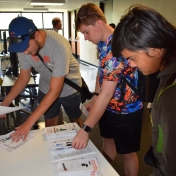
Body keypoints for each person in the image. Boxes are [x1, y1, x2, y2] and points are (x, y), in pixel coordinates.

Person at [72, 3, 143, 176]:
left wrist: (86, 129)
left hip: (126, 110)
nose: (86, 38)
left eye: (86, 32)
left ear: (98, 24)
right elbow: (100, 73)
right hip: (108, 106)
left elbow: (108, 92)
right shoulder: (103, 43)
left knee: (127, 153)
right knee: (108, 141)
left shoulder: (117, 47)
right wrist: (95, 97)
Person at [111, 5, 176, 176]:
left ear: (155, 49)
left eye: (132, 58)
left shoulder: (172, 93)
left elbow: (171, 167)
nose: (131, 65)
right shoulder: (165, 75)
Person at [0, 17, 82, 141]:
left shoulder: (59, 46)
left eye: (27, 47)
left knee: (75, 122)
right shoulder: (24, 47)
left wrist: (28, 123)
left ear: (36, 35)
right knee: (50, 126)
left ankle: (83, 145)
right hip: (46, 85)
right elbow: (23, 77)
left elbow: (55, 91)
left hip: (69, 88)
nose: (25, 52)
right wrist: (5, 103)